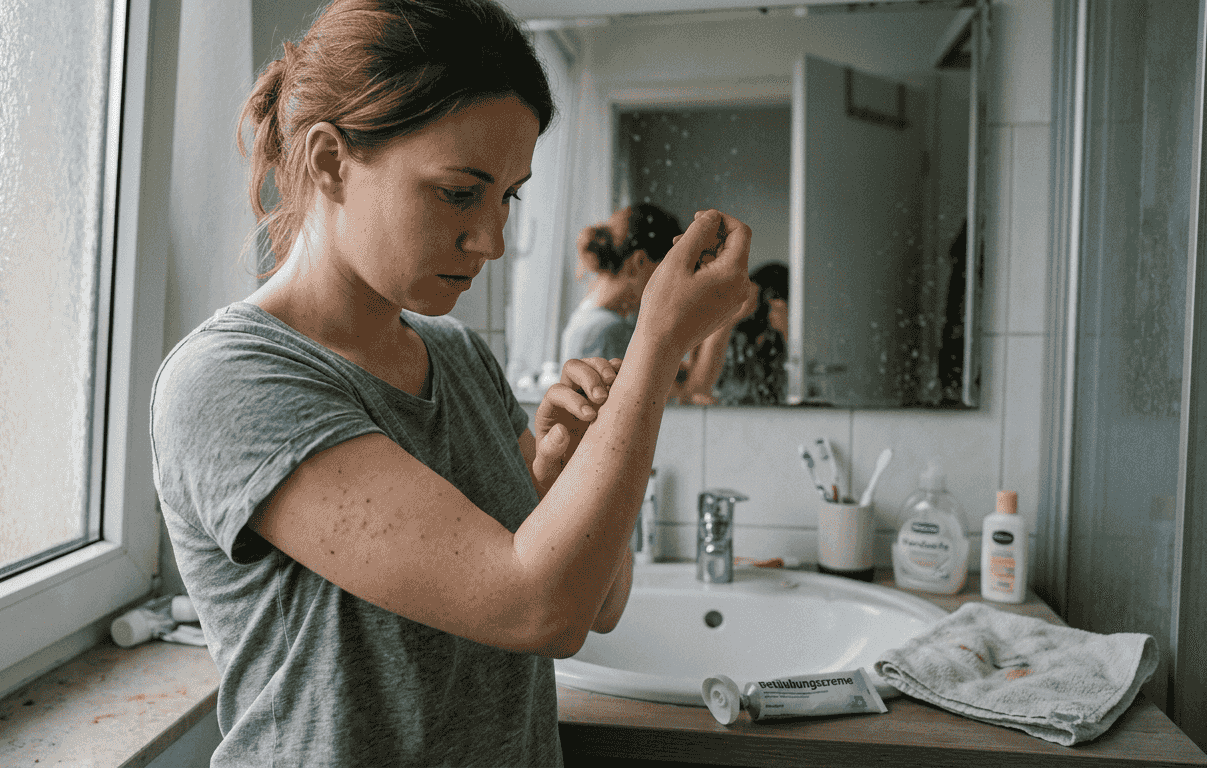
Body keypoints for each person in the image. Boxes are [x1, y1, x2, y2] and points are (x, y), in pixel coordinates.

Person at [148, 1, 753, 764]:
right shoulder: (232, 382)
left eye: (509, 195)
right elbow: (542, 610)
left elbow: (601, 602)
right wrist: (656, 348)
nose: (492, 239)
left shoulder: (461, 358)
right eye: (459, 192)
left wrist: (566, 472)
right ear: (332, 160)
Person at [559, 203, 682, 362]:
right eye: (667, 274)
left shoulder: (587, 317)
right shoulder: (611, 332)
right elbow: (692, 387)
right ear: (640, 262)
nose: (669, 287)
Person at [683, 262, 789, 405]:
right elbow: (694, 393)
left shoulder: (782, 342)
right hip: (727, 421)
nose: (767, 312)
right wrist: (729, 318)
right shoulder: (729, 336)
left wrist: (789, 329)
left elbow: (806, 388)